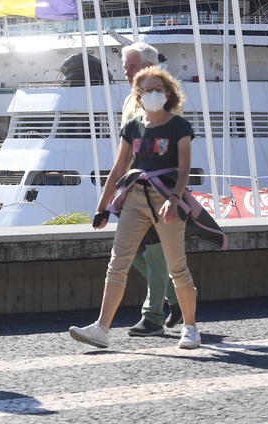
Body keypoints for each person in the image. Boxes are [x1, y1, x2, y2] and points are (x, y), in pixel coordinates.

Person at [69, 65, 201, 350]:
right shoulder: (132, 126)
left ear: (168, 93)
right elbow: (118, 169)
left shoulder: (179, 126)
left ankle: (190, 327)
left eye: (157, 89)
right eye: (145, 90)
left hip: (165, 197)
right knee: (117, 264)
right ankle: (102, 328)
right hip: (134, 199)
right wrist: (103, 207)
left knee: (177, 268)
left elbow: (184, 169)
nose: (151, 94)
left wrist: (174, 200)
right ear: (138, 96)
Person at [119, 42, 181, 336]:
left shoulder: (161, 100)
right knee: (133, 253)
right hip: (134, 185)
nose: (126, 72)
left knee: (154, 252)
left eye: (131, 66)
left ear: (148, 68)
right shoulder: (131, 99)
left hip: (157, 185)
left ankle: (153, 316)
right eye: (125, 67)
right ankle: (176, 297)